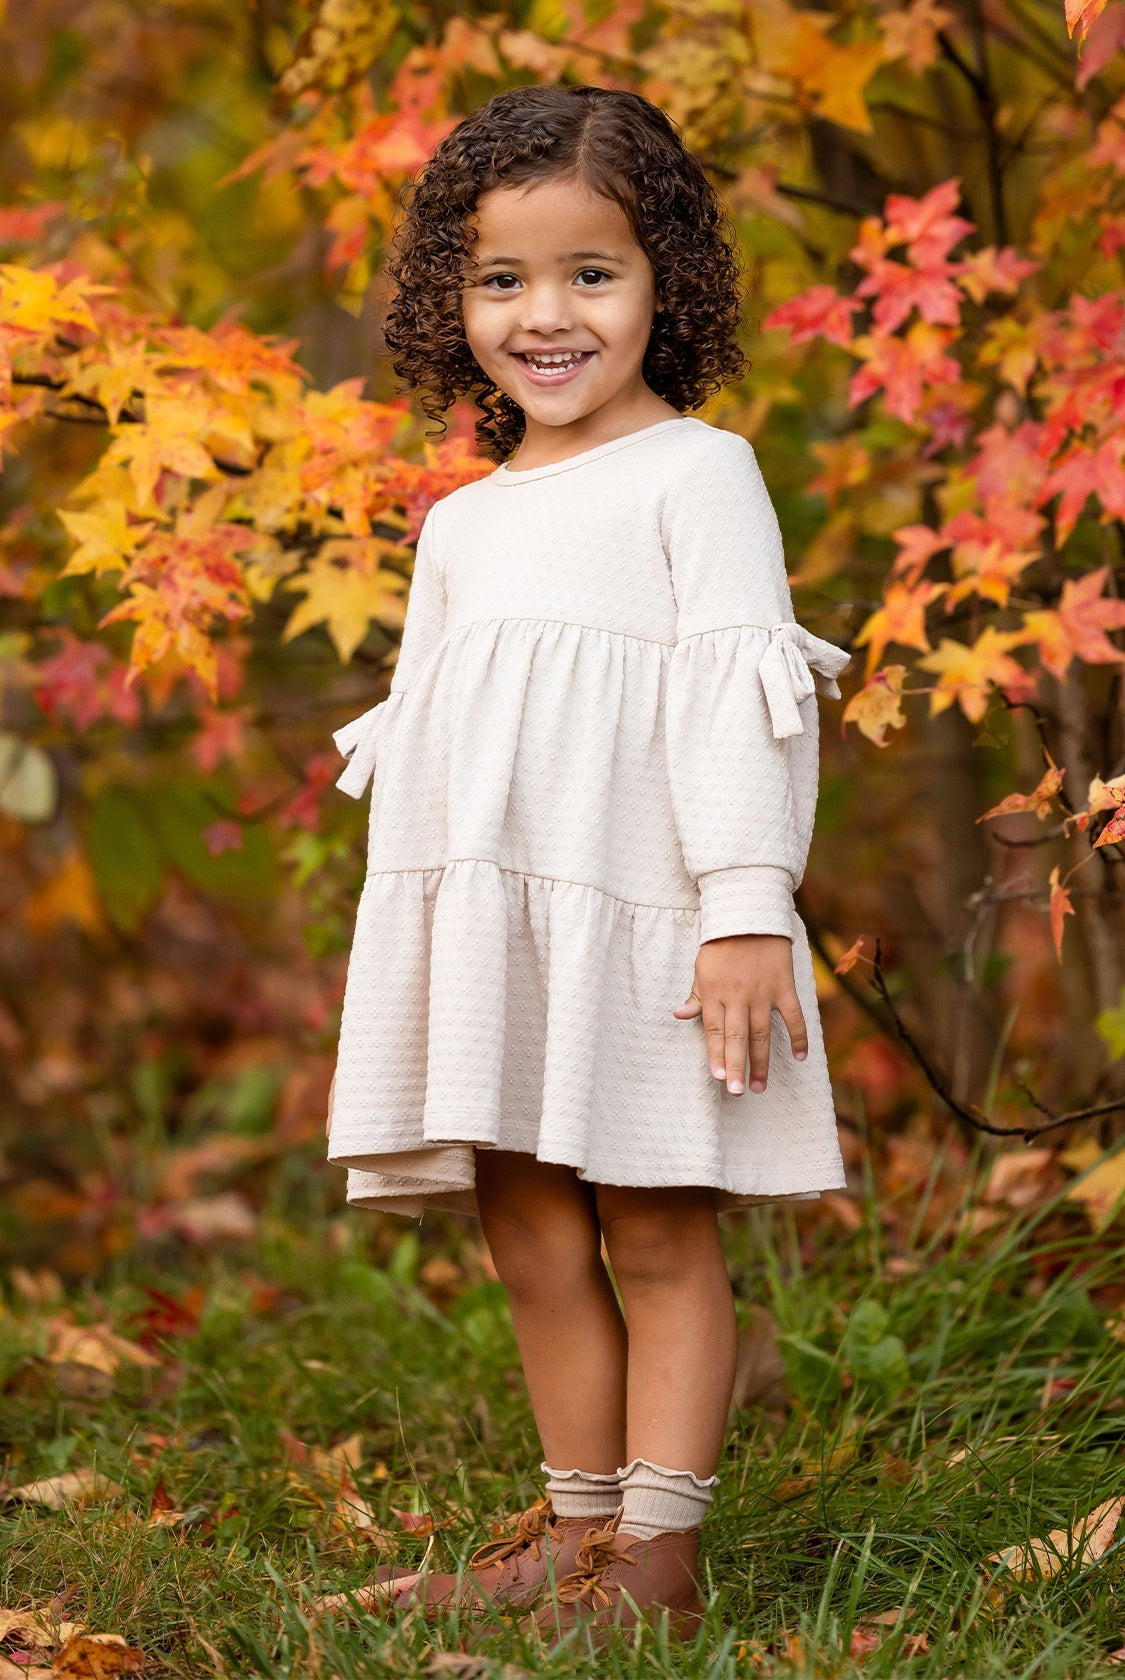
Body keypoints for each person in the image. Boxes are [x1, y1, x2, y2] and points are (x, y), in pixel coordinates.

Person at [321, 83, 850, 1643]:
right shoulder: (460, 524)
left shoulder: (699, 474)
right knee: (528, 1225)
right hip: (497, 930)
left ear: (663, 283)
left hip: (652, 923)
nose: (543, 316)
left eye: (589, 274)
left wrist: (745, 913)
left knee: (655, 1224)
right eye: (501, 281)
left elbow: (740, 700)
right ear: (451, 300)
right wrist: (422, 964)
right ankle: (575, 1523)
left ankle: (661, 1562)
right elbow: (429, 740)